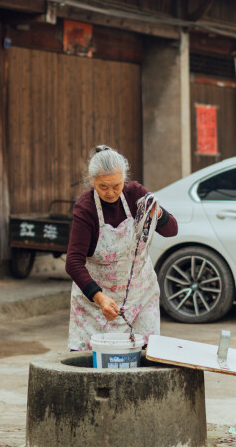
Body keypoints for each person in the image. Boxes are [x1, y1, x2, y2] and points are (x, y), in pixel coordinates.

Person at [64, 145, 178, 351]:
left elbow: (172, 230)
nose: (110, 192)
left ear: (124, 179)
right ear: (92, 181)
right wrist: (99, 298)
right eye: (103, 186)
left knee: (145, 359)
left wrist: (158, 214)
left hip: (140, 295)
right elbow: (73, 262)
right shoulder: (86, 209)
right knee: (94, 363)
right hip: (97, 303)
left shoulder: (136, 194)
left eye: (116, 185)